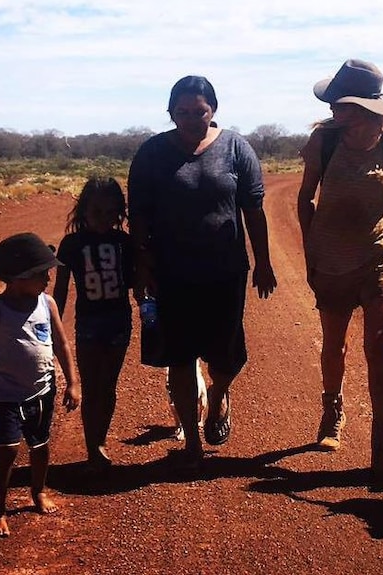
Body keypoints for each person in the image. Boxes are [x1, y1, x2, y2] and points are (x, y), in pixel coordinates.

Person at [128, 75, 276, 470]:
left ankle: (220, 394)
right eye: (183, 112)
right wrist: (142, 264)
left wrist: (263, 262)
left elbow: (253, 210)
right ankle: (192, 443)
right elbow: (138, 213)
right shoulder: (152, 152)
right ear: (170, 113)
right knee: (179, 354)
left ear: (213, 111)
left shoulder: (235, 148)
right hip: (172, 272)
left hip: (225, 271)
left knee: (226, 355)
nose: (192, 119)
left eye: (200, 111)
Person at [297, 59, 383, 480]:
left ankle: (381, 443)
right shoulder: (323, 141)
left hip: (380, 253)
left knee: (380, 344)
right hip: (331, 255)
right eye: (333, 102)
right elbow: (305, 198)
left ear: (366, 107)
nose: (334, 109)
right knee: (335, 345)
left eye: (342, 103)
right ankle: (332, 412)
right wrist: (309, 247)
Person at [0, 232, 81, 537]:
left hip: (42, 391)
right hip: (6, 395)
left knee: (40, 447)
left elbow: (61, 344)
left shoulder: (47, 304)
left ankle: (38, 491)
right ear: (18, 278)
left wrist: (73, 382)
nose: (48, 279)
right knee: (6, 452)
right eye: (41, 274)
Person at [53, 176, 132, 473]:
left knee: (108, 386)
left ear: (119, 213)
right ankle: (92, 447)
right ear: (84, 209)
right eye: (97, 212)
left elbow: (138, 284)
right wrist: (53, 324)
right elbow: (60, 288)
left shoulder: (124, 243)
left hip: (119, 322)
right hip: (87, 323)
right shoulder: (72, 244)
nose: (104, 219)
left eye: (111, 213)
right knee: (91, 385)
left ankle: (100, 441)